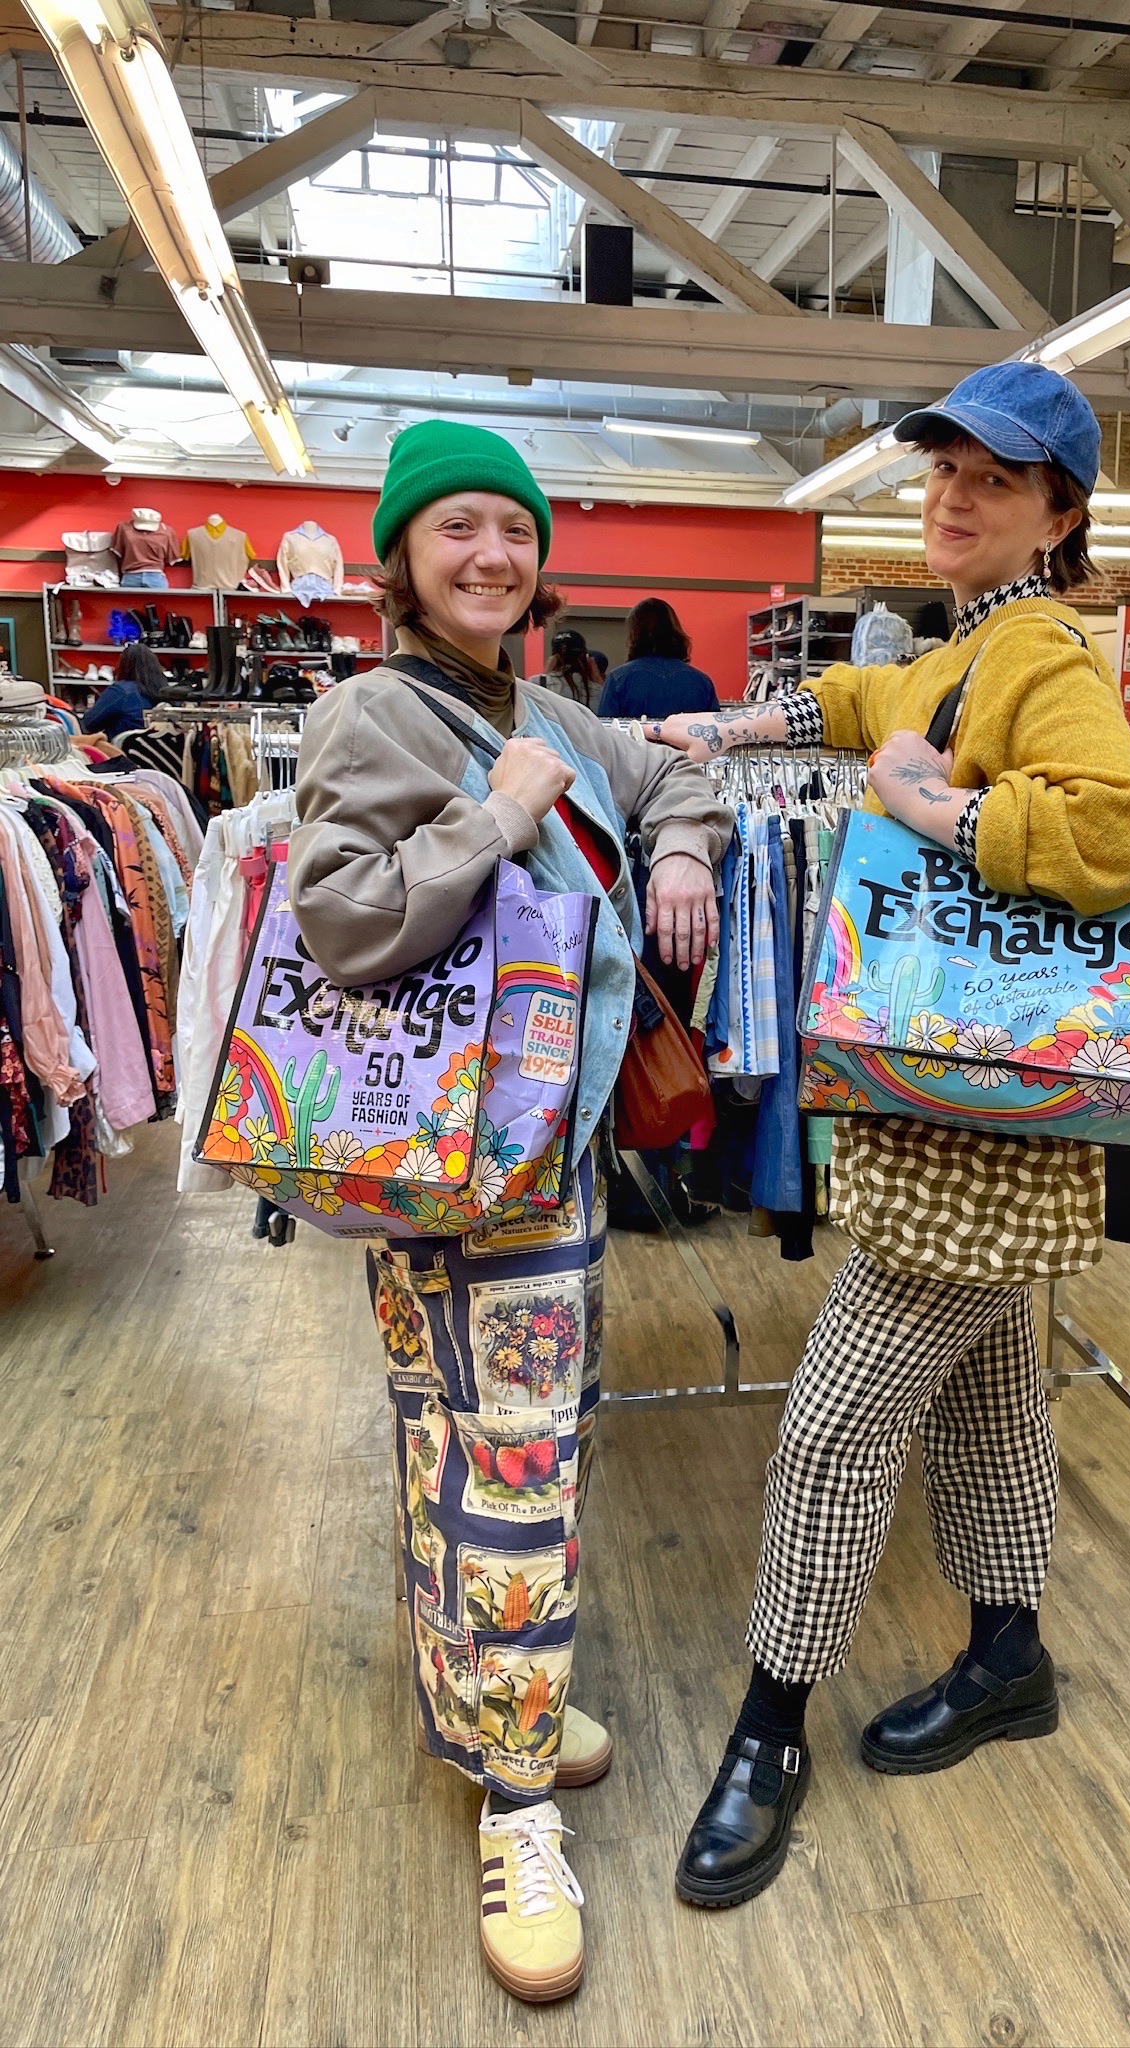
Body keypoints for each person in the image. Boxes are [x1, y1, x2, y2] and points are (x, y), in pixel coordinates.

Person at [653, 360, 1130, 1909]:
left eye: (995, 480)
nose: (954, 496)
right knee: (994, 1399)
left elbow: (1117, 832)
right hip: (960, 1112)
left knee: (829, 1433)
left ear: (1058, 516)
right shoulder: (961, 649)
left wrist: (930, 811)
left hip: (978, 1132)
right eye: (944, 469)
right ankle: (1010, 1655)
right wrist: (734, 727)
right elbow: (857, 703)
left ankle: (769, 1732)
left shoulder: (1042, 653)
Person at [287, 420, 730, 2004]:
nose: (492, 553)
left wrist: (679, 850)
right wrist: (495, 816)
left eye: (515, 529)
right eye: (457, 527)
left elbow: (687, 771)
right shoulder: (373, 715)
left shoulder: (550, 710)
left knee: (516, 1449)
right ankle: (518, 1800)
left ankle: (493, 1705)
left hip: (555, 1168)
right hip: (456, 1179)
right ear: (402, 559)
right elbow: (341, 921)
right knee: (503, 1475)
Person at [598, 598, 720, 720]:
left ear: (635, 633)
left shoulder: (618, 679)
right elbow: (715, 728)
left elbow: (605, 728)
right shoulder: (702, 682)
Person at [80, 642, 166, 740]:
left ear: (124, 665)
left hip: (120, 746)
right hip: (160, 747)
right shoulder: (166, 691)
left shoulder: (120, 691)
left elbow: (90, 722)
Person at [537, 626, 604, 708]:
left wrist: (545, 674)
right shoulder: (596, 691)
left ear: (554, 658)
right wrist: (596, 677)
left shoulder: (537, 683)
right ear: (584, 657)